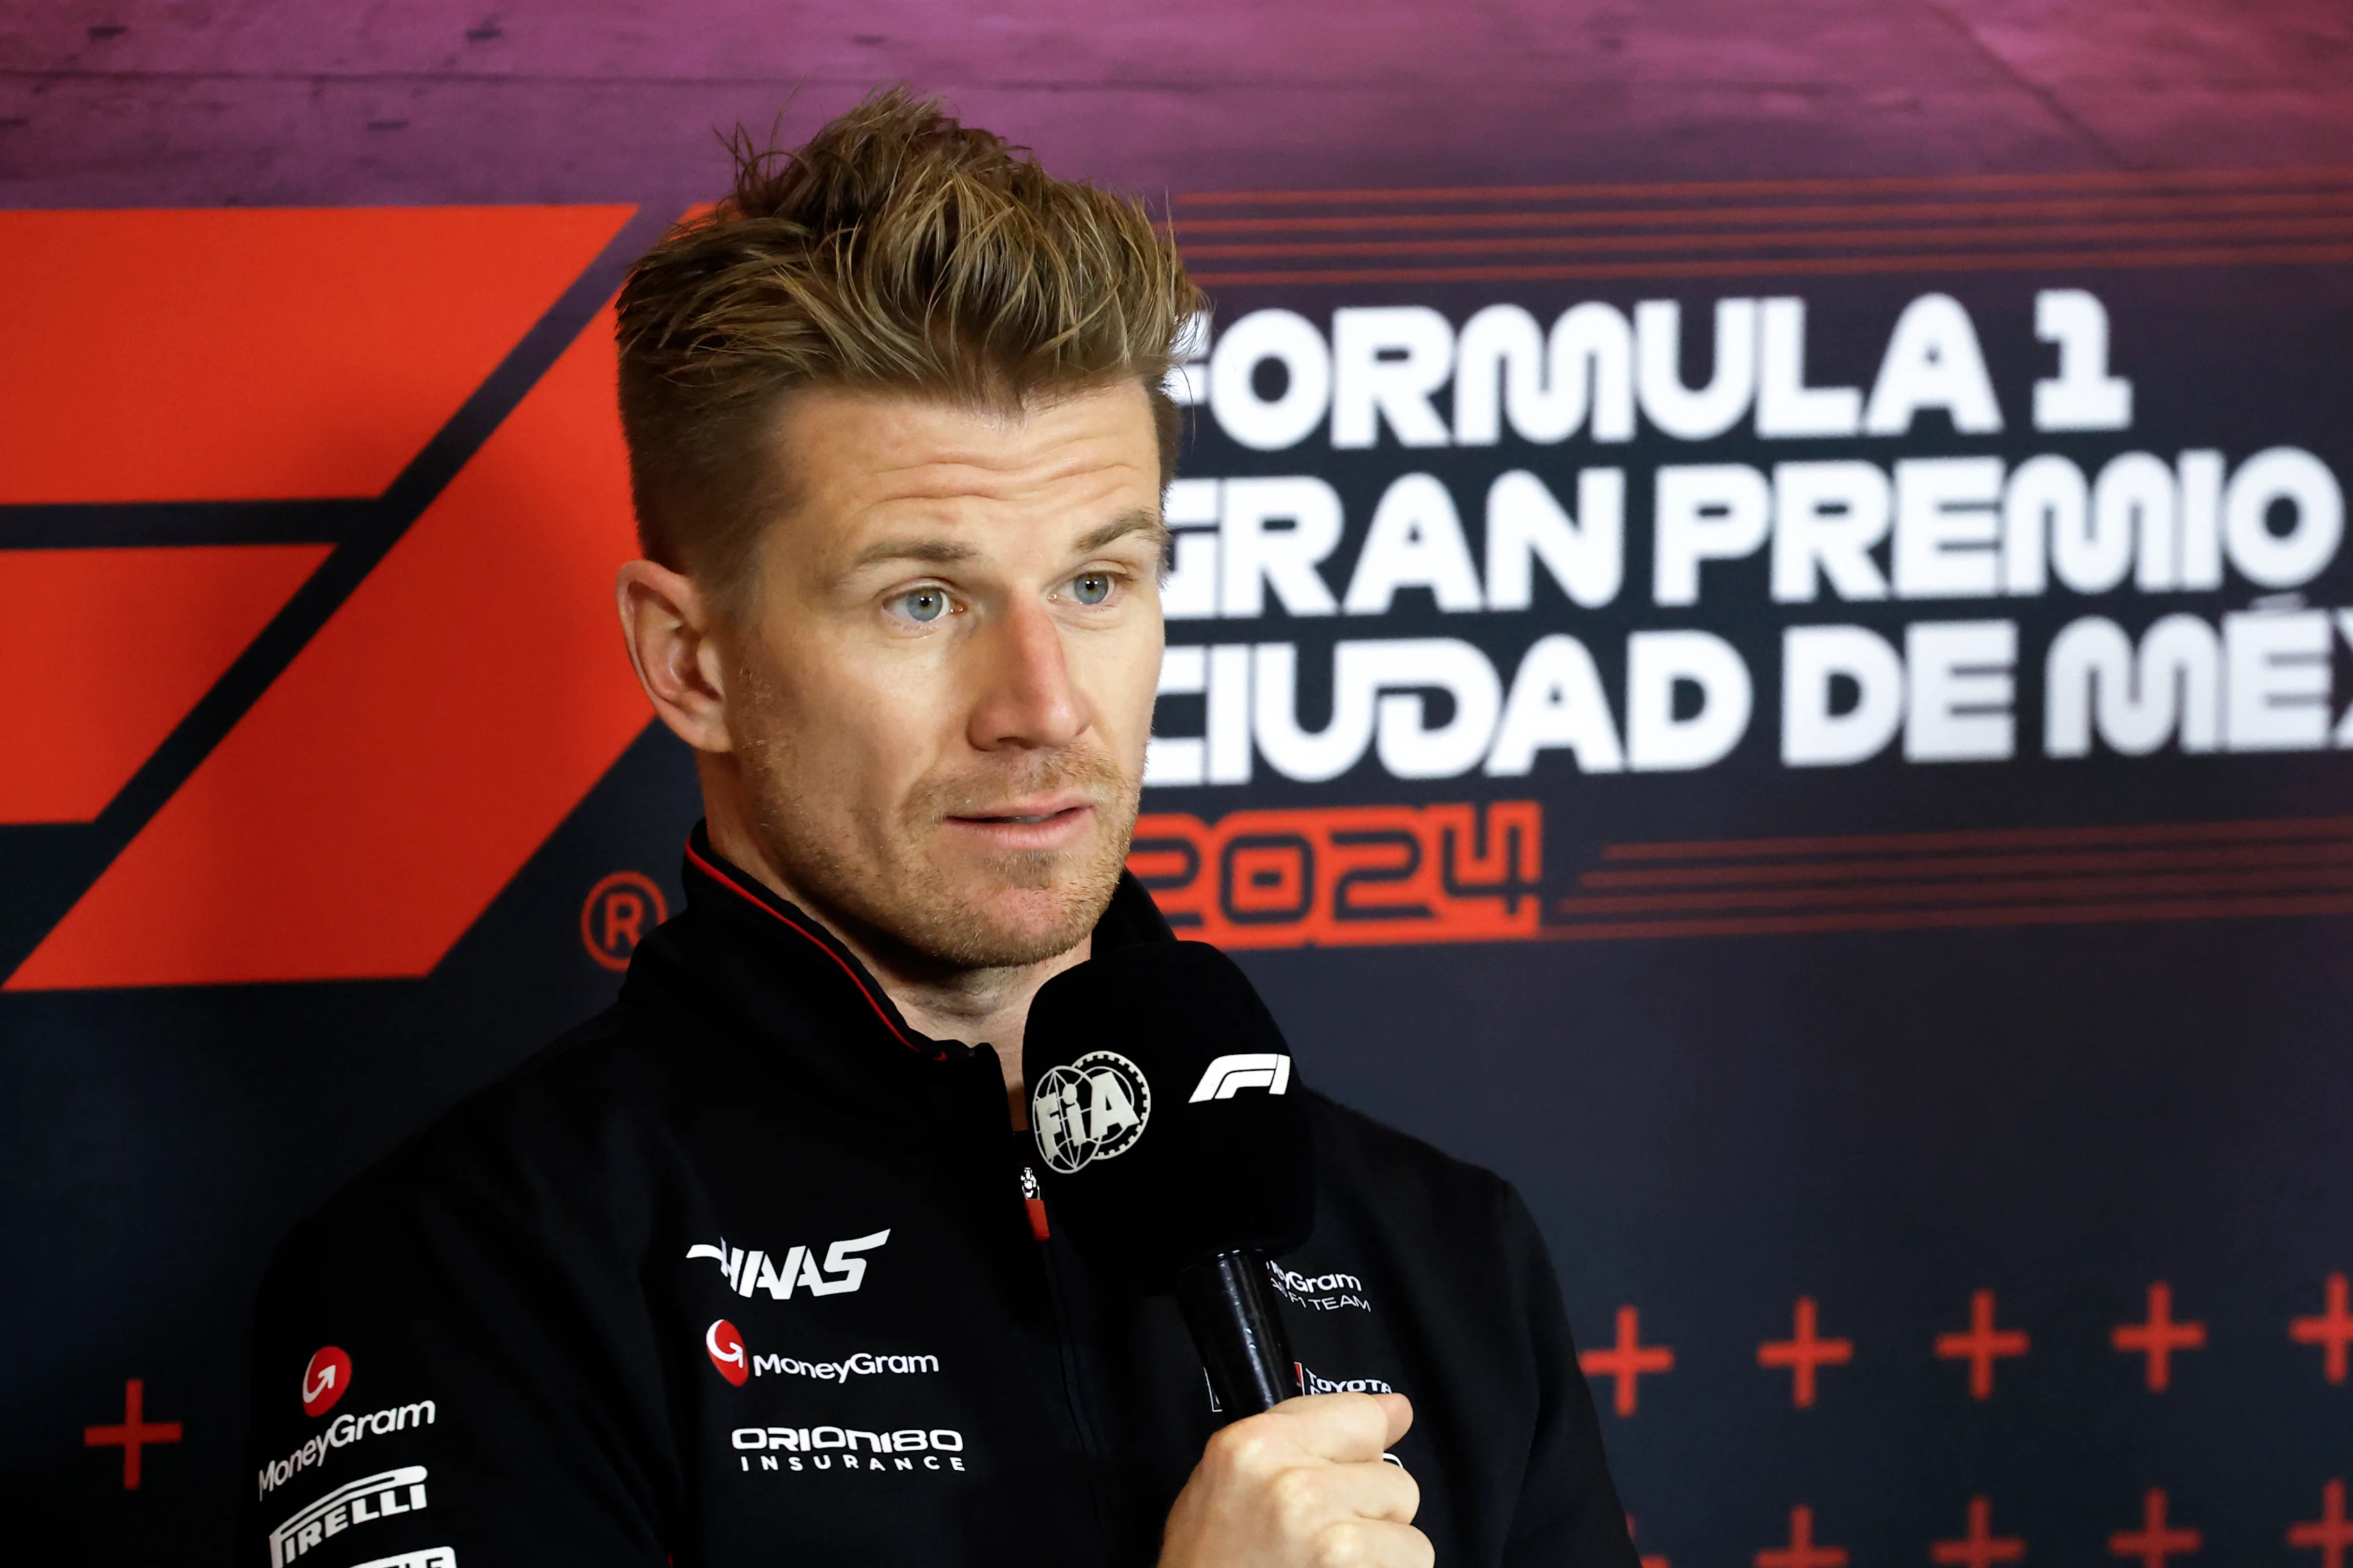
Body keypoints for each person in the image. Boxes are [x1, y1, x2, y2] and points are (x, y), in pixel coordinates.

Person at [235, 88, 1638, 1568]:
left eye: (1096, 583)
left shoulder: (1441, 1249)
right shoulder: (472, 1265)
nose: (1042, 704)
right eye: (923, 599)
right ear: (690, 662)